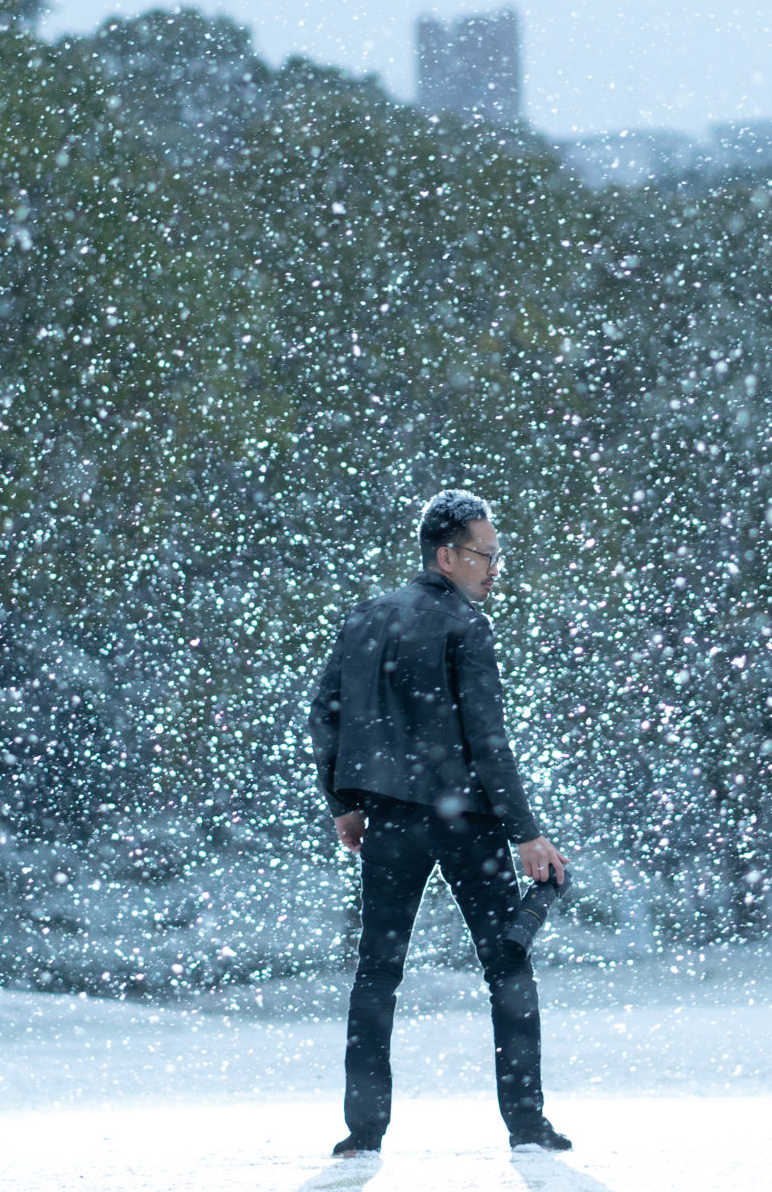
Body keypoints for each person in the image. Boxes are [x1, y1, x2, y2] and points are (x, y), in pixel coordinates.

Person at [307, 489, 574, 1159]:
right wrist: (525, 832)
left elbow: (325, 712)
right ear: (447, 554)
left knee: (377, 969)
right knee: (506, 962)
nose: (495, 568)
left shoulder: (368, 616)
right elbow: (489, 740)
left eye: (497, 555)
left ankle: (363, 1129)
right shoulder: (465, 626)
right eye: (486, 554)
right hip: (466, 818)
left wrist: (344, 800)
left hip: (390, 819)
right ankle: (527, 1124)